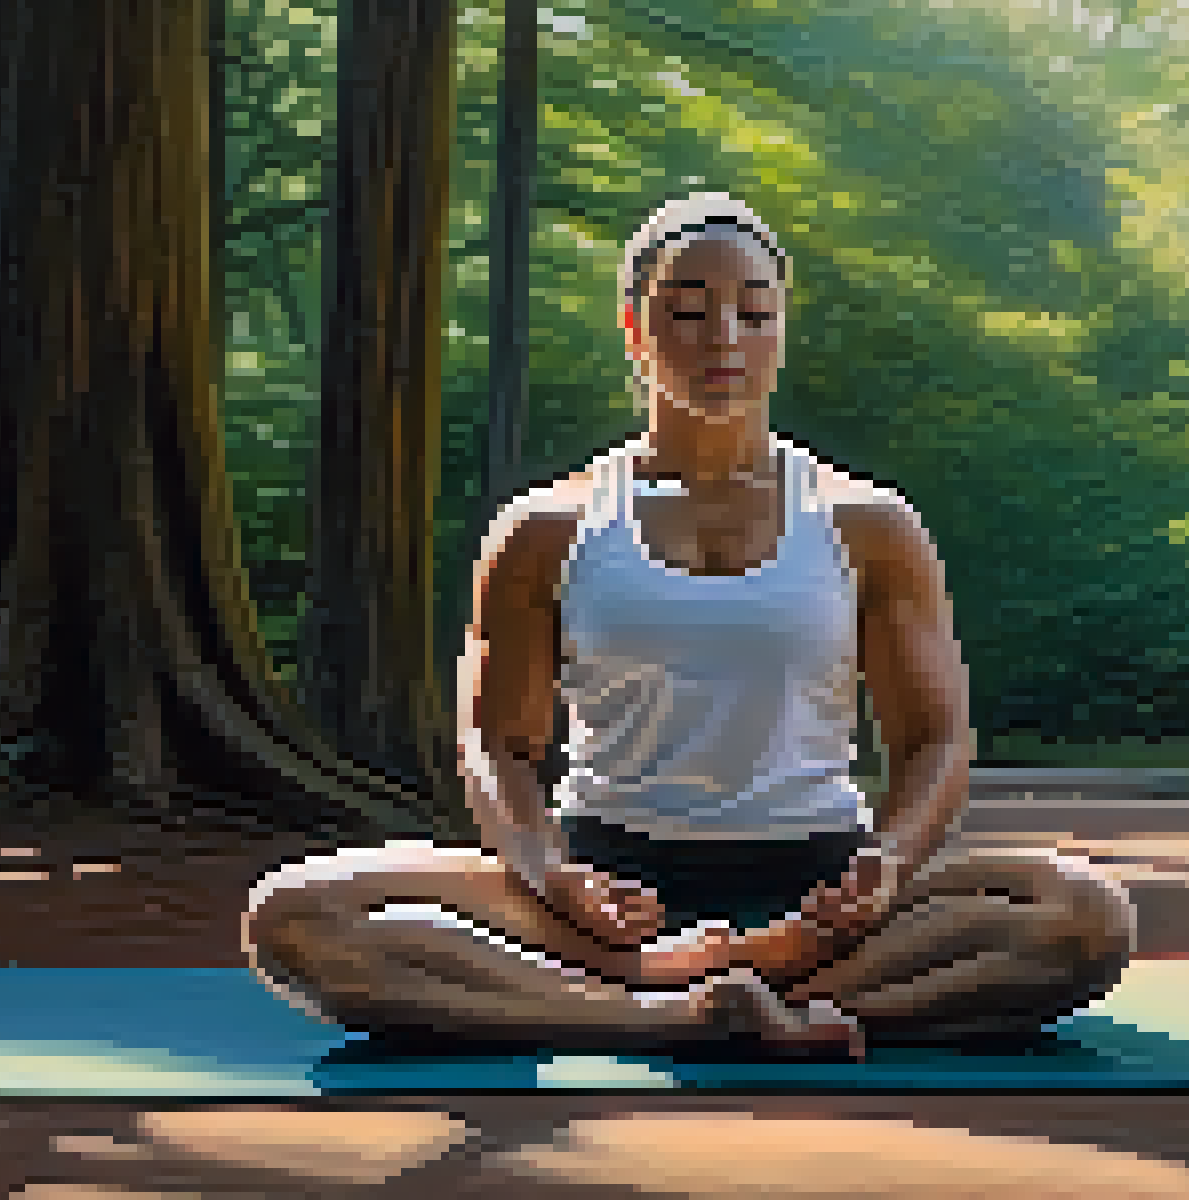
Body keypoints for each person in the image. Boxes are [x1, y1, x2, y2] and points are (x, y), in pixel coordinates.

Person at [241, 193, 1134, 1058]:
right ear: (635, 330)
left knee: (1085, 916)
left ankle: (764, 992)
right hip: (605, 893)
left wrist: (885, 868)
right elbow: (496, 744)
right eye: (690, 311)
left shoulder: (870, 525)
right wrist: (553, 876)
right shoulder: (546, 530)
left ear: (782, 331)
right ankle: (681, 1015)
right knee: (296, 916)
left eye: (754, 313)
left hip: (818, 891)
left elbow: (935, 740)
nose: (725, 340)